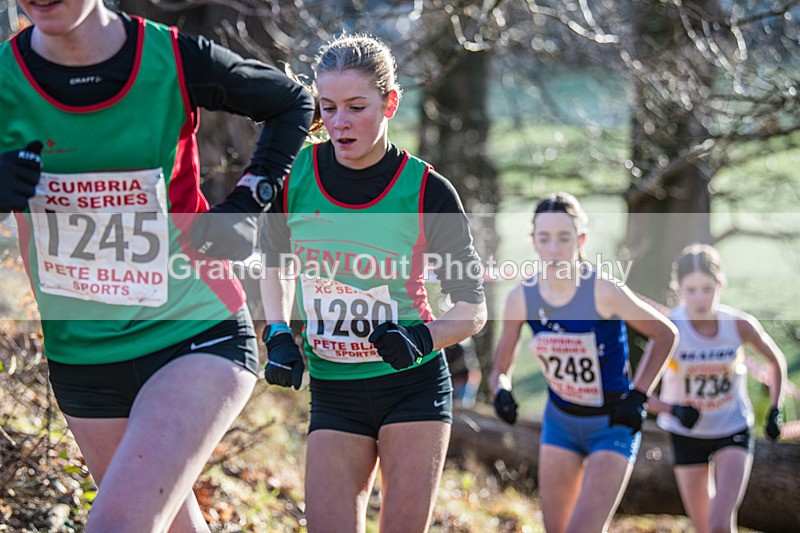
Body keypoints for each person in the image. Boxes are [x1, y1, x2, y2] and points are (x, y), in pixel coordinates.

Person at [0, 1, 313, 531]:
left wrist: (246, 203)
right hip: (83, 358)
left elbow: (291, 103)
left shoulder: (173, 58)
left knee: (118, 524)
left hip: (193, 331)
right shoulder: (6, 79)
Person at [259, 35, 487, 533]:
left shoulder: (427, 190)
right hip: (334, 389)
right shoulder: (294, 175)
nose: (340, 122)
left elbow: (473, 308)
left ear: (390, 102)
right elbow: (275, 264)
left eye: (357, 107)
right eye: (329, 107)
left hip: (413, 386)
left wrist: (419, 339)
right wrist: (277, 331)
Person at [488, 192, 678, 533]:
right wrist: (501, 391)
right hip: (560, 422)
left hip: (612, 424)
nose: (554, 248)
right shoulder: (522, 299)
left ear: (581, 240)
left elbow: (665, 334)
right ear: (534, 241)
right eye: (544, 238)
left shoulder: (603, 290)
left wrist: (639, 395)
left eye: (564, 238)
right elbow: (500, 370)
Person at [647, 244, 787, 533]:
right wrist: (673, 409)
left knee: (719, 524)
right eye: (691, 290)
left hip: (731, 427)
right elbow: (640, 393)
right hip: (686, 433)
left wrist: (775, 409)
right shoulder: (669, 328)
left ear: (720, 285)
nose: (700, 298)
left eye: (707, 289)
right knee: (703, 527)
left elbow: (776, 362)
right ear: (679, 288)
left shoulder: (738, 325)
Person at [444, 337, 482, 408]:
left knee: (463, 407)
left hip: (467, 379)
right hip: (463, 378)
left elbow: (466, 365)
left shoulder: (461, 344)